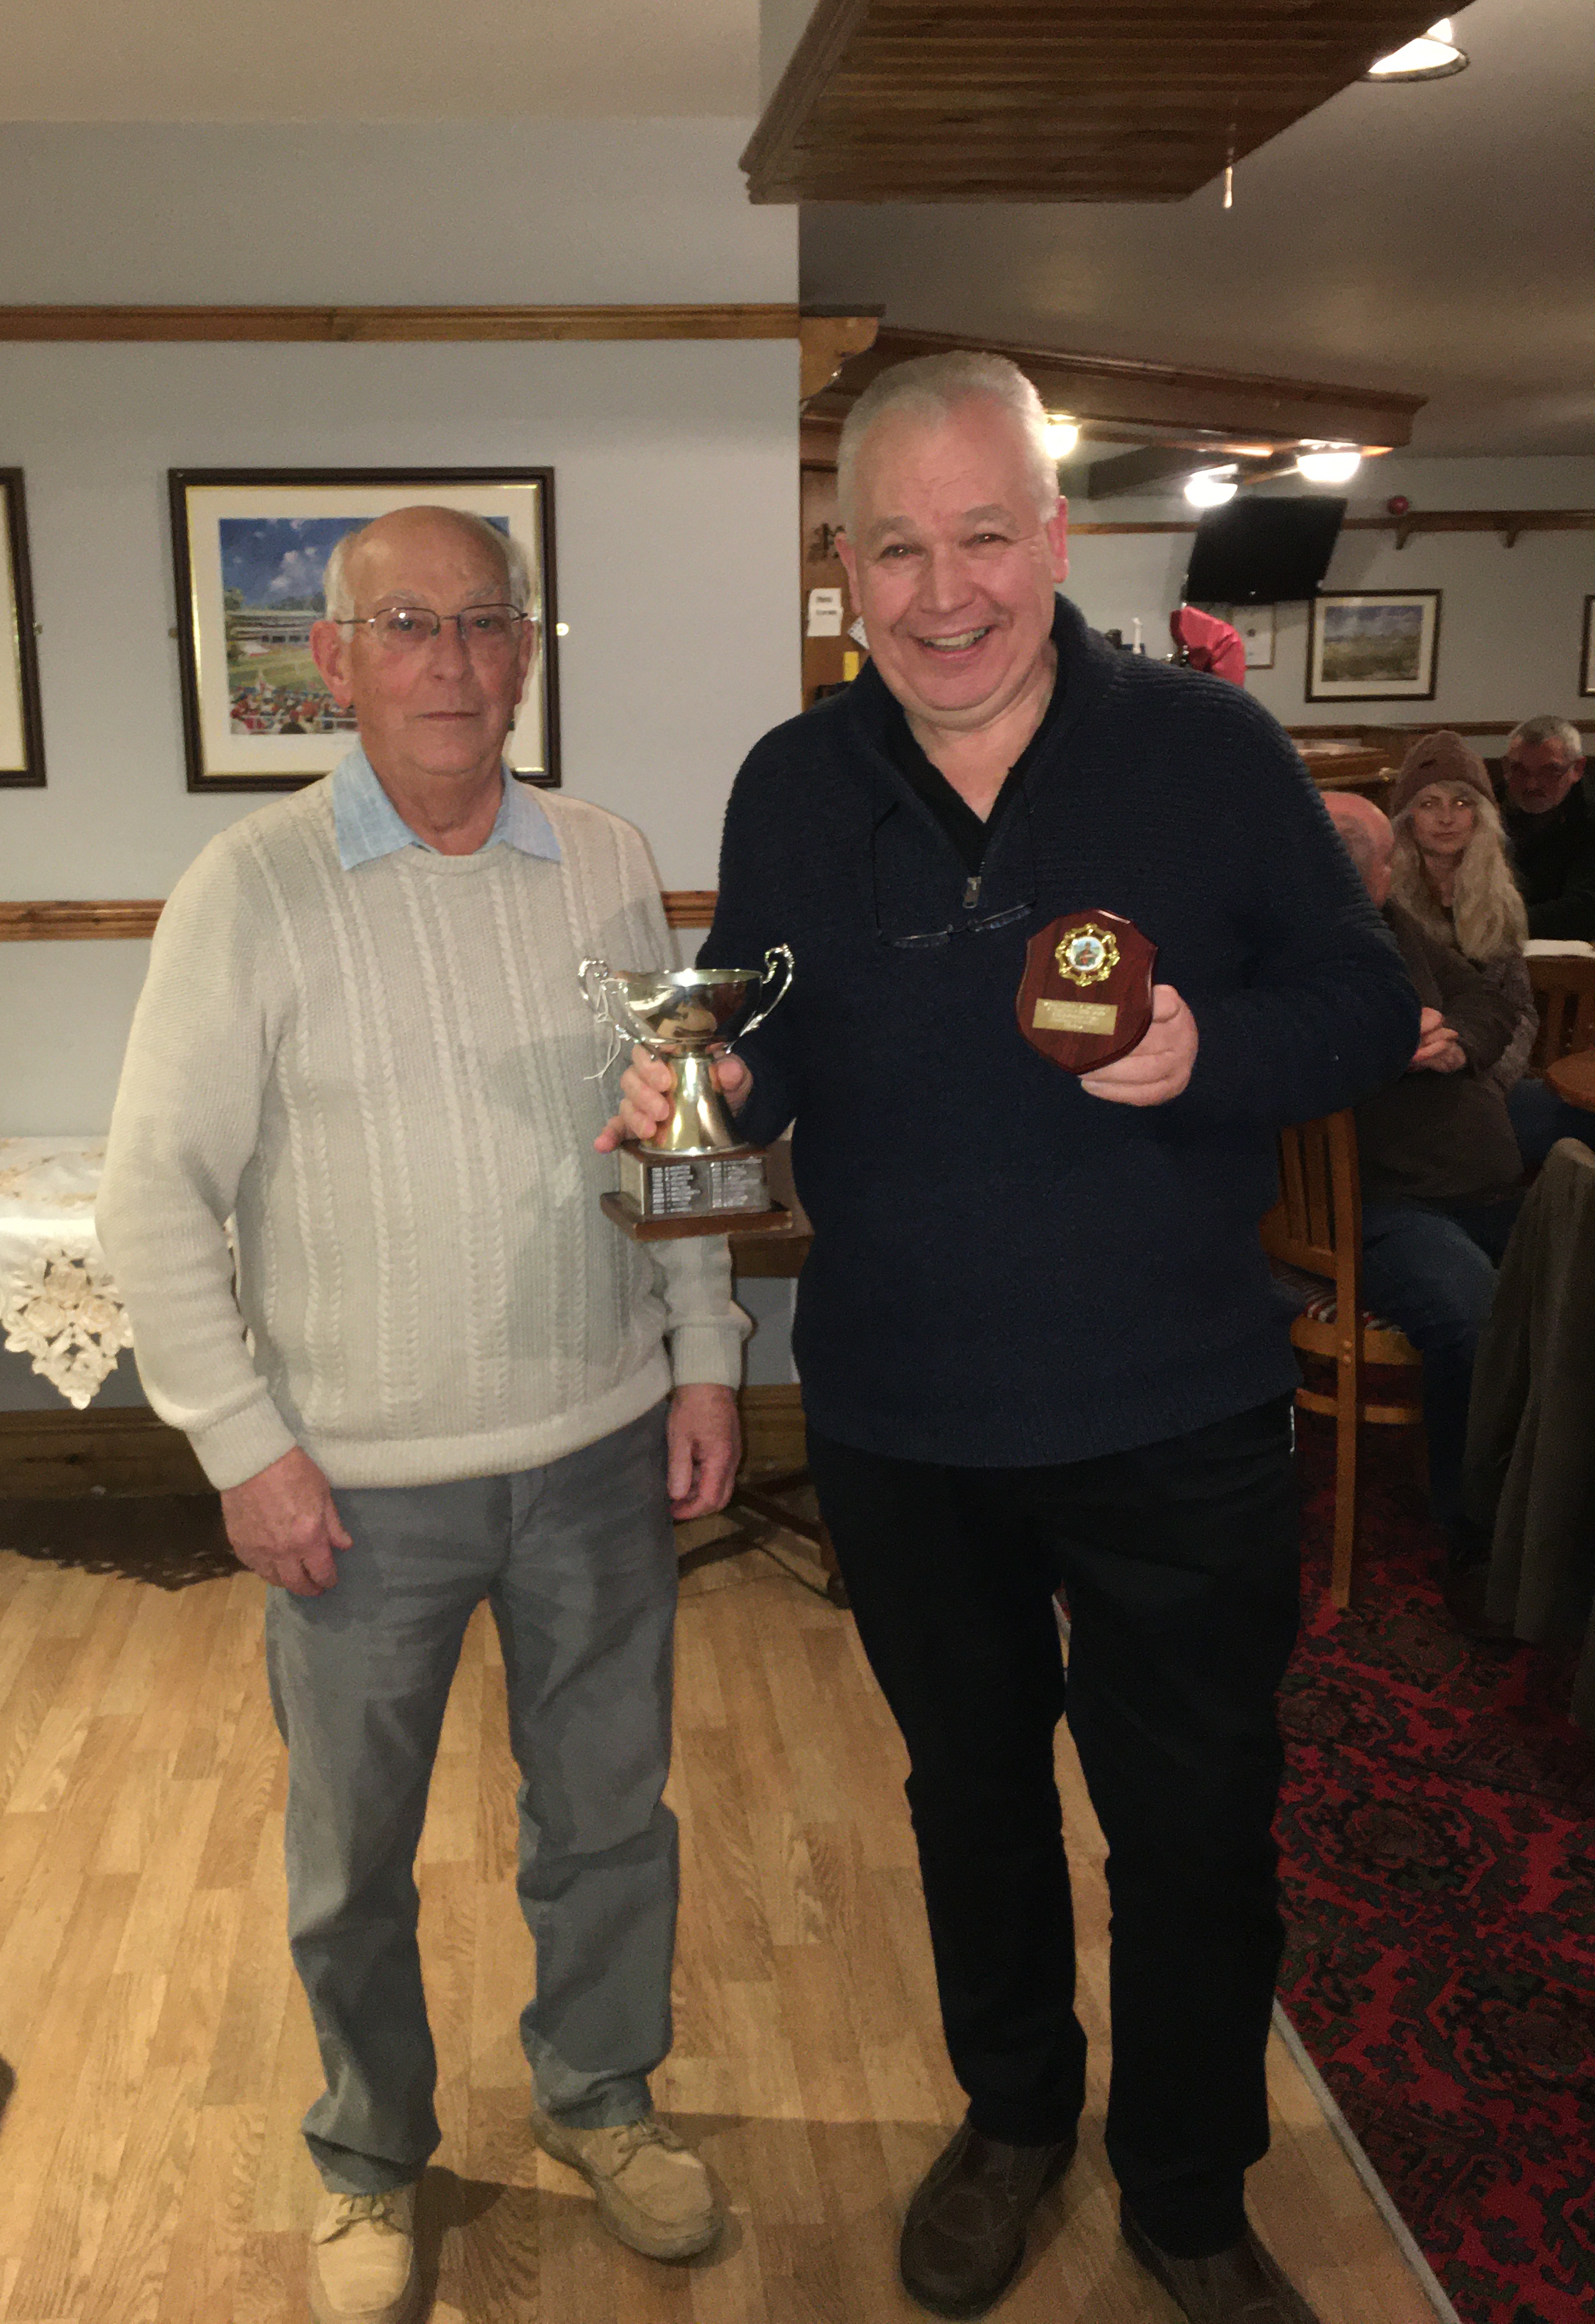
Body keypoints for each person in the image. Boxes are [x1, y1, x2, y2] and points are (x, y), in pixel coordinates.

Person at [603, 353, 1419, 2324]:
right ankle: (1015, 2120)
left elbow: (1360, 1006)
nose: (943, 591)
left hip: (1181, 1411)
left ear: (1055, 540)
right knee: (970, 1803)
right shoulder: (794, 785)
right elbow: (759, 1030)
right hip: (904, 1419)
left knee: (1197, 1829)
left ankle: (1191, 2191)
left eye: (984, 537)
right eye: (897, 548)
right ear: (844, 566)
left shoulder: (1207, 753)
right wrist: (703, 1085)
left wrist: (1209, 1051)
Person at [99, 505, 746, 2324]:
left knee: (608, 1820)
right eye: (408, 625)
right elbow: (154, 1195)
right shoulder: (250, 890)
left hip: (599, 1446)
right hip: (356, 1489)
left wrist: (706, 1352)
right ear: (334, 660)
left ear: (525, 647)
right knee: (351, 1859)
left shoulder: (609, 858)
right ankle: (371, 2154)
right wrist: (245, 1448)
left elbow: (678, 1125)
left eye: (483, 622)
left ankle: (601, 2098)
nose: (453, 662)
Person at [1322, 793, 1524, 1546]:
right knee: (1478, 1323)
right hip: (1384, 1200)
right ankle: (1476, 1536)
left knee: (1571, 1284)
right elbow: (1278, 1060)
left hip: (1483, 1181)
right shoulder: (1280, 946)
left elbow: (1485, 1001)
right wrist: (1388, 1045)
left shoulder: (1393, 925)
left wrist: (1455, 1041)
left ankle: (1551, 1500)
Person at [1387, 731, 1536, 1095]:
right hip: (1408, 1076)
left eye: (1460, 803)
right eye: (1428, 804)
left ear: (1480, 815)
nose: (1446, 818)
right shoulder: (1386, 899)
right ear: (1407, 818)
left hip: (1485, 1069)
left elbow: (1521, 1012)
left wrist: (1491, 1078)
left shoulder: (1500, 899)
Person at [1499, 716, 1595, 940]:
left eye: (1550, 771)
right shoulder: (1485, 808)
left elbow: (1584, 910)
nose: (1532, 784)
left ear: (1577, 769)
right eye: (1519, 770)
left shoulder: (1590, 817)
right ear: (1505, 768)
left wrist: (1497, 925)